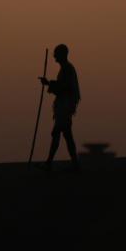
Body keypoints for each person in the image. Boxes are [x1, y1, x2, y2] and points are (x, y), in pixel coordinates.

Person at [38, 44, 81, 172]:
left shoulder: (67, 69)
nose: (54, 57)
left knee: (58, 133)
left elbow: (65, 88)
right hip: (63, 106)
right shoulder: (65, 69)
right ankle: (73, 163)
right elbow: (61, 87)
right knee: (66, 135)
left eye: (56, 54)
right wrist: (49, 84)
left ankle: (50, 163)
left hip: (65, 107)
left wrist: (49, 84)